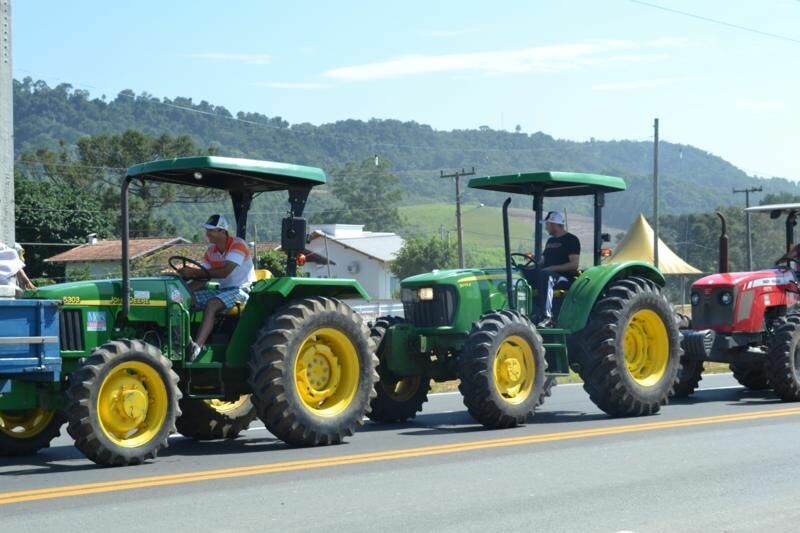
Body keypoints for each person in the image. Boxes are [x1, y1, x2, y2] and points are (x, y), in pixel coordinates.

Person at [176, 214, 256, 360]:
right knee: (183, 300)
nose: (207, 234)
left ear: (222, 231)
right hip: (224, 291)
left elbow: (225, 272)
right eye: (207, 230)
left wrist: (194, 271)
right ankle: (179, 340)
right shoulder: (211, 251)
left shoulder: (238, 245)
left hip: (242, 290)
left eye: (211, 230)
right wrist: (183, 290)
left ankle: (196, 348)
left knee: (212, 304)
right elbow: (203, 276)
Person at [534, 210, 580, 327]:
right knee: (525, 273)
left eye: (547, 225)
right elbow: (543, 261)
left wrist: (552, 268)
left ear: (554, 224)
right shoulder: (550, 241)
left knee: (546, 275)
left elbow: (574, 264)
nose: (546, 228)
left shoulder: (571, 240)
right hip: (548, 275)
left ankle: (547, 317)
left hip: (564, 278)